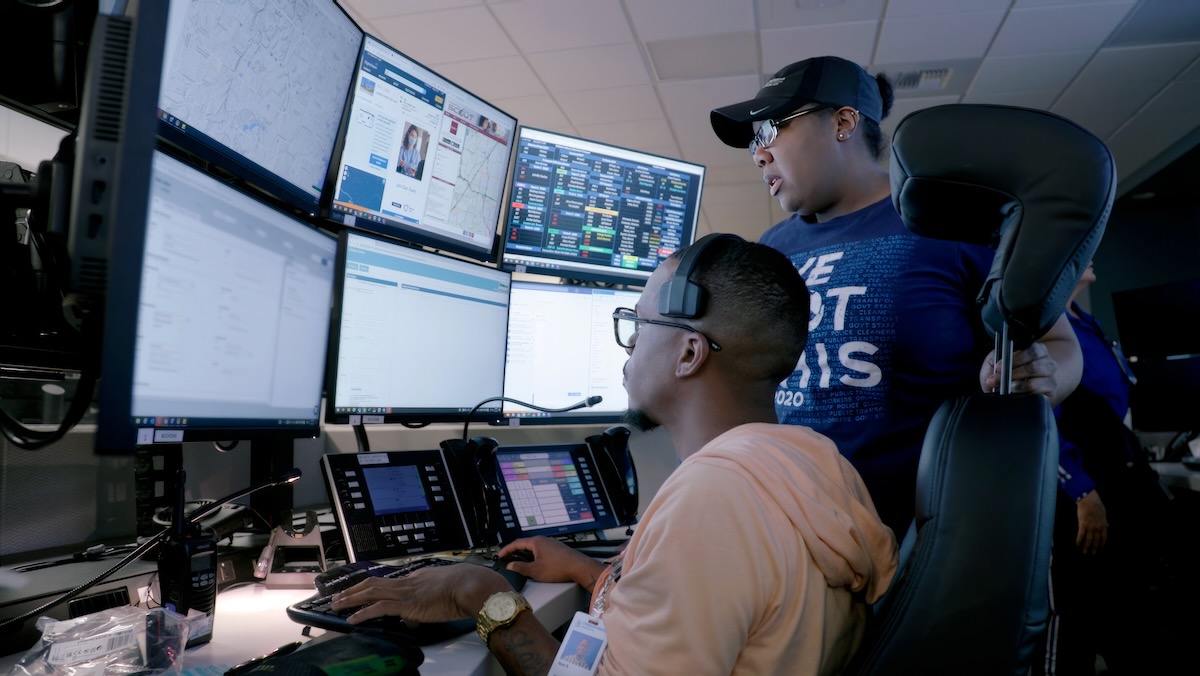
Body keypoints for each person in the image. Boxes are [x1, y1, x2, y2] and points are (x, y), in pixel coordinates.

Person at [332, 236, 899, 674]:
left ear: (688, 353)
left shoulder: (713, 500)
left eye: (637, 324)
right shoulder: (815, 462)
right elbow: (720, 607)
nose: (628, 347)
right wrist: (589, 571)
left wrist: (482, 594)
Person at [708, 56, 1083, 536]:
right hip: (801, 527)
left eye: (770, 131)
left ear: (843, 121)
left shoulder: (953, 226)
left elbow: (1062, 347)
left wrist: (1044, 378)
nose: (758, 154)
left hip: (928, 533)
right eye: (752, 141)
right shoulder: (772, 249)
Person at [1037, 261, 1182, 675]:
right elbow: (1046, 421)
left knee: (1131, 608)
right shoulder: (1048, 326)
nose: (1092, 253)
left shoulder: (1084, 321)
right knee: (1077, 612)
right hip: (1083, 491)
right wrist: (1081, 491)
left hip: (1119, 477)